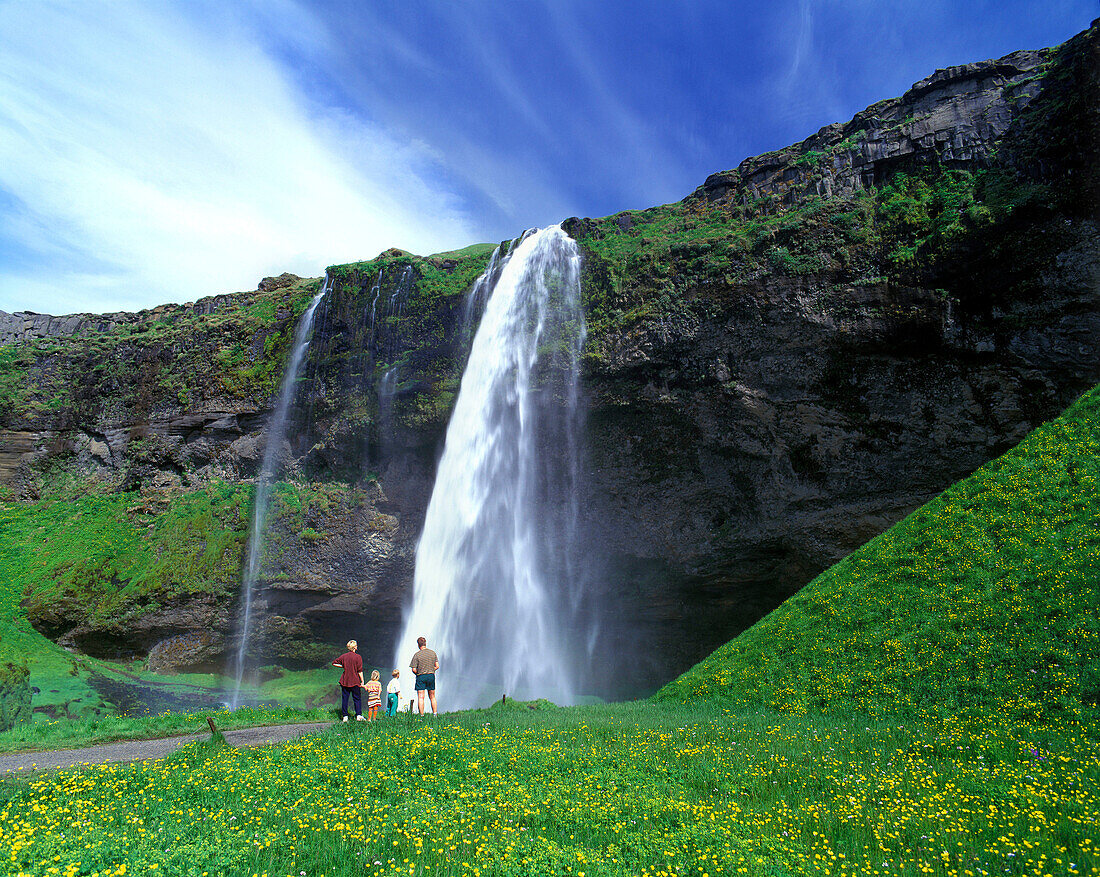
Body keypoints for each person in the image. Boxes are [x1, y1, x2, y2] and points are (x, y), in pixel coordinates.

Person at [332, 640, 366, 722]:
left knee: (345, 699)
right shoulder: (358, 657)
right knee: (357, 699)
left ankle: (345, 716)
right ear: (354, 647)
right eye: (356, 645)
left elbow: (334, 663)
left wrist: (343, 666)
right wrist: (362, 680)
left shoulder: (344, 656)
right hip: (355, 680)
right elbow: (359, 671)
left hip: (345, 680)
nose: (357, 646)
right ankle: (358, 715)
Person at [409, 636, 439, 716]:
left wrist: (419, 672)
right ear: (425, 643)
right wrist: (431, 670)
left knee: (421, 697)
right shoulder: (433, 653)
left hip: (421, 676)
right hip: (431, 676)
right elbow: (437, 666)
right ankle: (435, 714)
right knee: (432, 696)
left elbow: (414, 669)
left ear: (418, 645)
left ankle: (422, 715)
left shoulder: (417, 655)